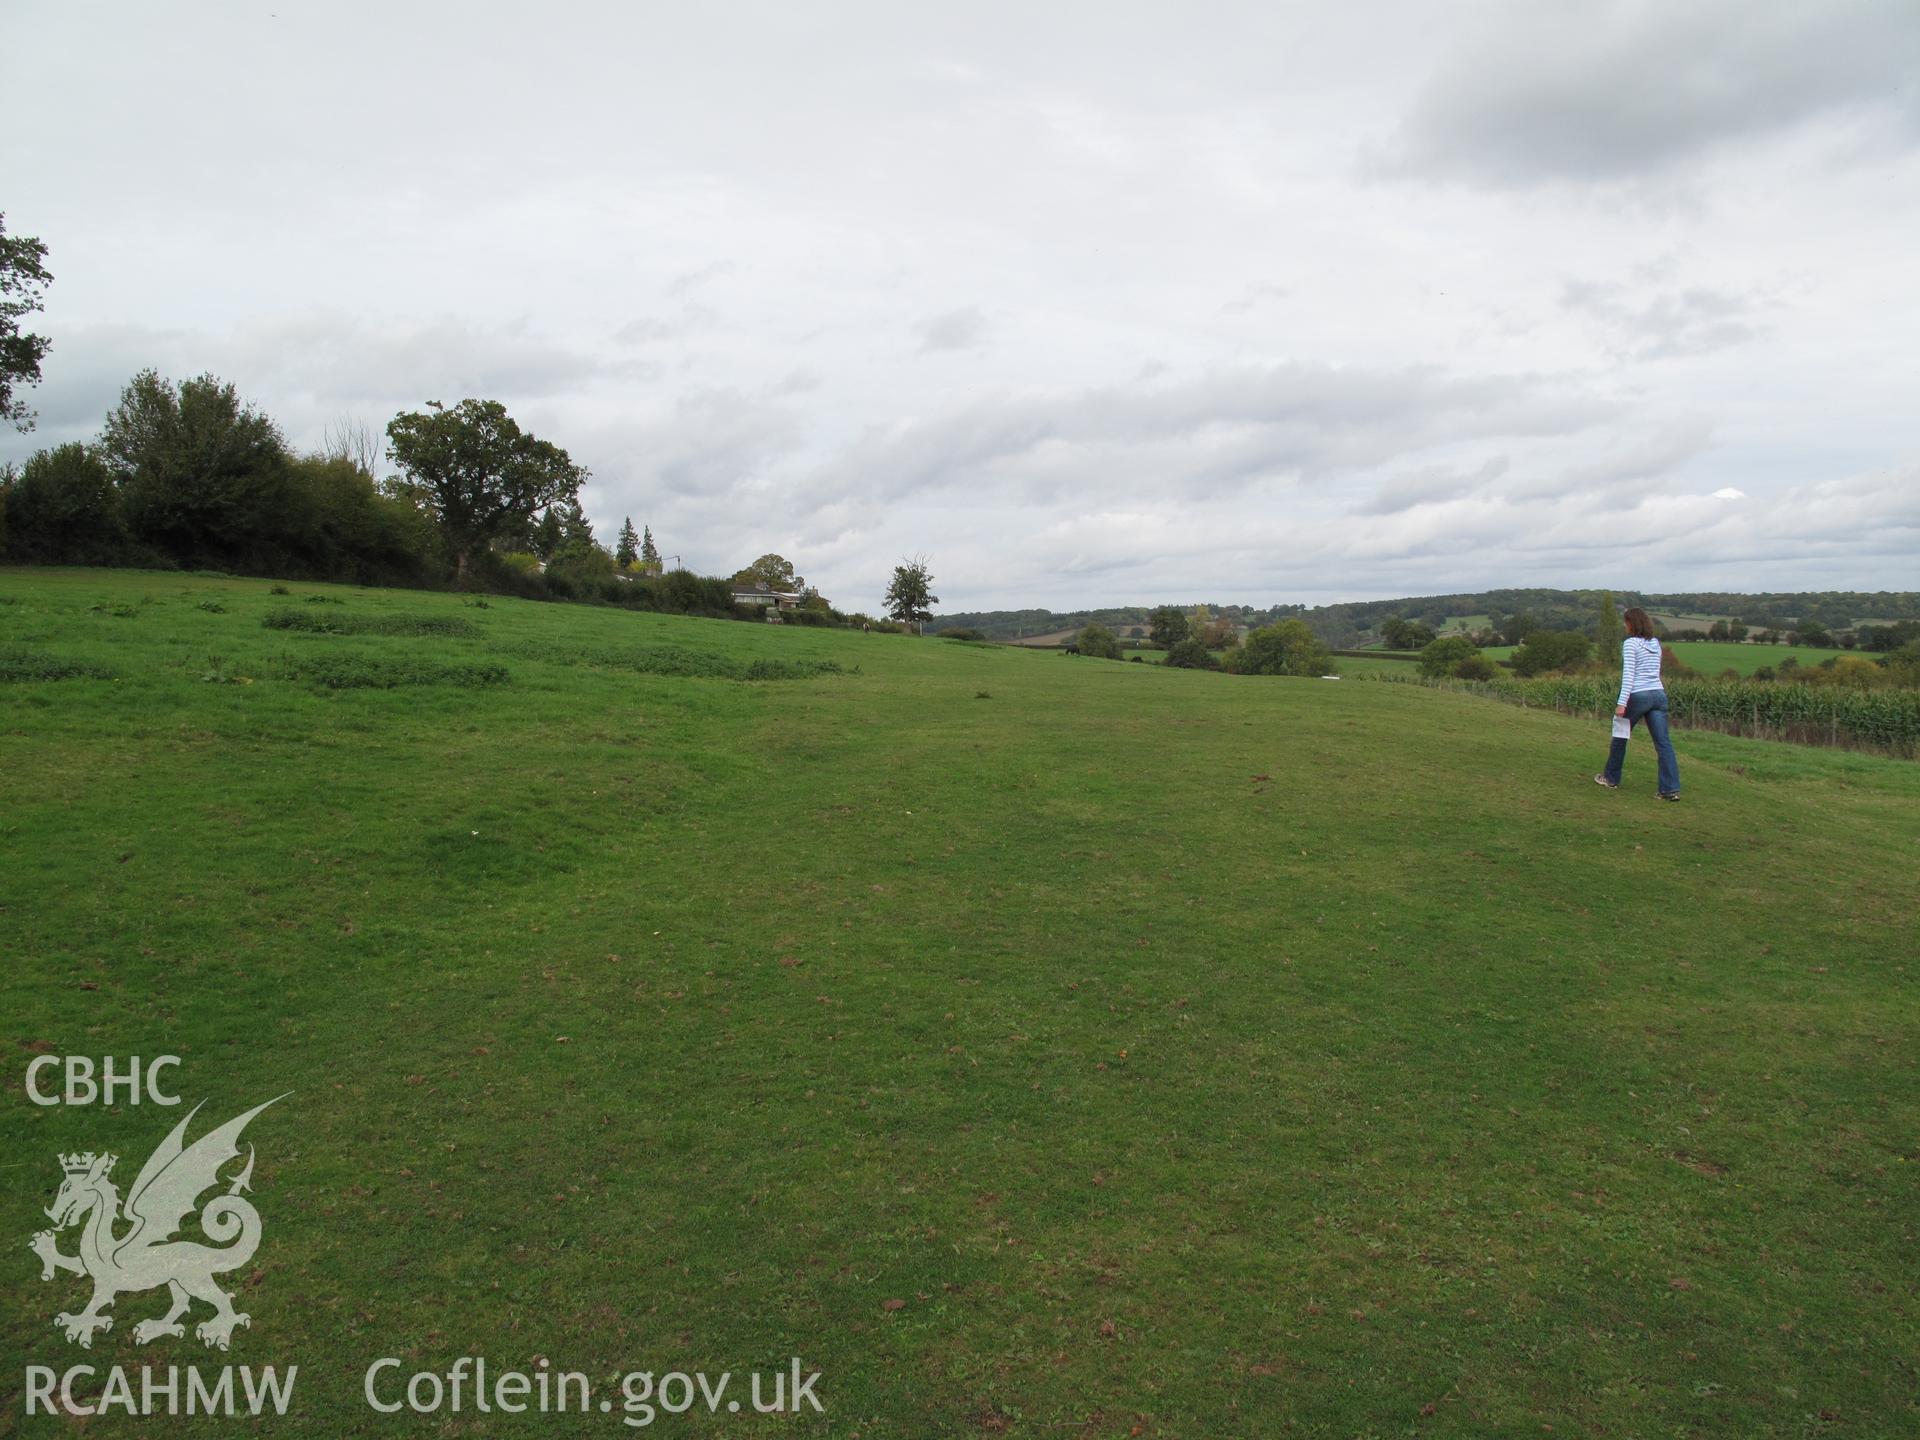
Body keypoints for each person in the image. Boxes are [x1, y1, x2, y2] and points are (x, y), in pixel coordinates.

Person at [1595, 607, 1680, 799]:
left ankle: (1610, 778)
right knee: (1663, 743)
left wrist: (1621, 702)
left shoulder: (1630, 644)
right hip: (1658, 695)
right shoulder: (1655, 643)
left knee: (1620, 737)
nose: (1624, 626)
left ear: (1632, 623)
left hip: (1638, 695)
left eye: (1626, 622)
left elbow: (1629, 675)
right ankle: (1670, 789)